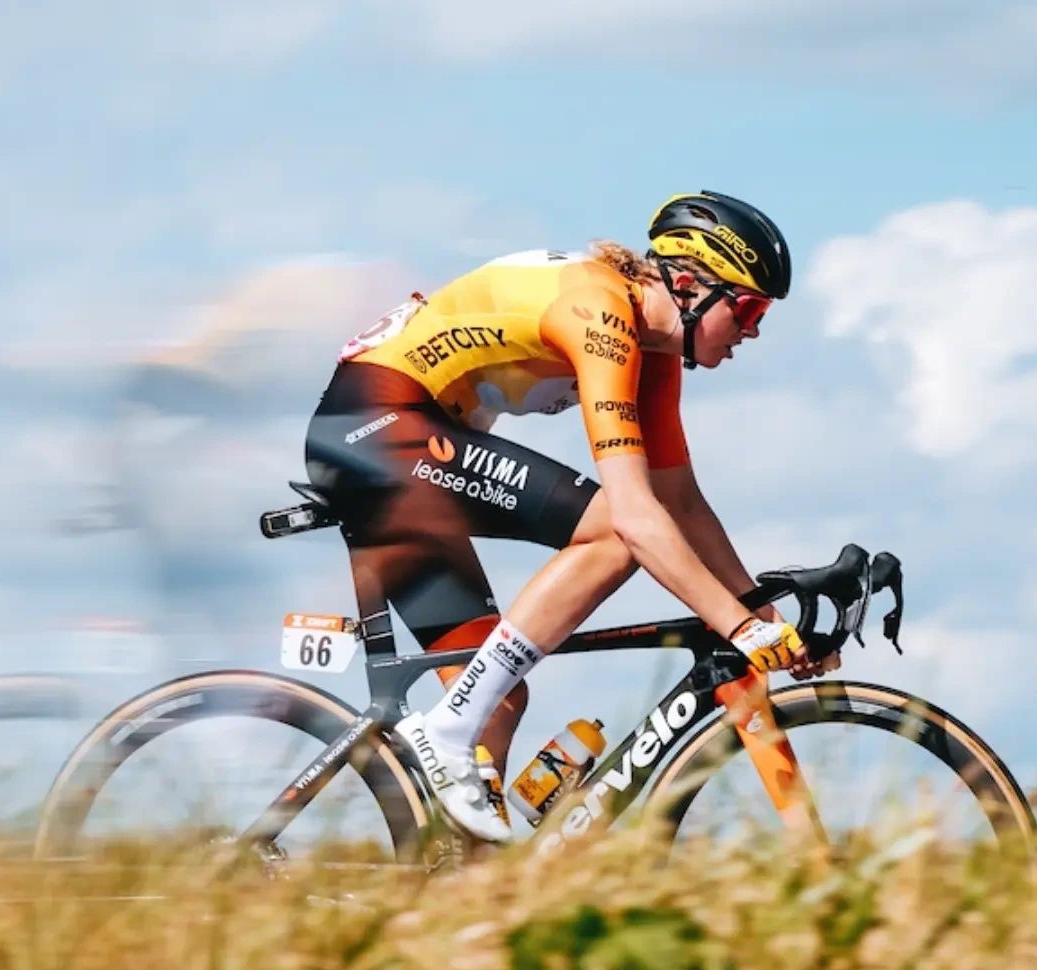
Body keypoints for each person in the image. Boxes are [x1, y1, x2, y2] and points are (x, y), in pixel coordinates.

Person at [302, 190, 828, 844]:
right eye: (748, 308)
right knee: (610, 532)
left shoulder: (654, 353)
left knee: (496, 699)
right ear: (689, 286)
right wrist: (738, 626)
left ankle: (460, 896)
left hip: (401, 448)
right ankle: (446, 730)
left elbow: (681, 502)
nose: (754, 329)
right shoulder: (601, 314)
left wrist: (762, 617)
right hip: (373, 430)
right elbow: (635, 519)